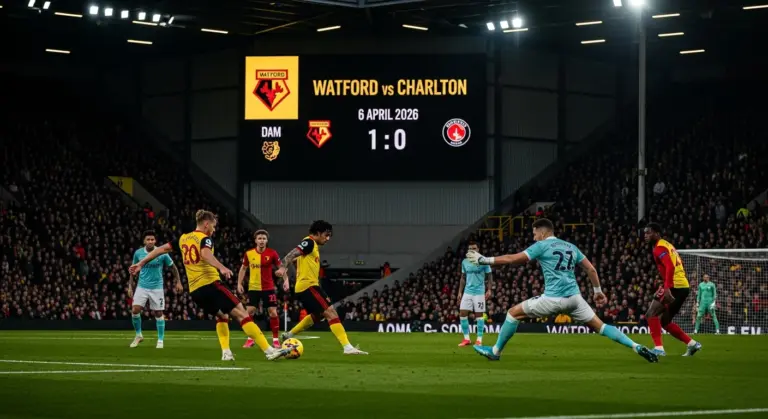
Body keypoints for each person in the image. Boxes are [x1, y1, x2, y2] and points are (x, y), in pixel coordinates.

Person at [466, 218, 658, 363]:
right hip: (575, 299)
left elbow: (513, 259)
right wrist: (597, 291)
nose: (534, 237)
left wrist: (484, 260)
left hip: (552, 299)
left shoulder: (542, 245)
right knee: (601, 327)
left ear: (542, 232)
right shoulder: (571, 247)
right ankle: (636, 346)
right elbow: (591, 269)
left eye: (534, 234)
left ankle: (495, 352)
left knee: (512, 313)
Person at [129, 210, 289, 361]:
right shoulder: (205, 239)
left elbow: (161, 249)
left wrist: (141, 263)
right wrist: (221, 267)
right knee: (242, 314)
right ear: (206, 224)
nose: (214, 229)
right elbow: (205, 254)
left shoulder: (183, 238)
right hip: (211, 284)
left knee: (222, 316)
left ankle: (226, 353)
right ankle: (269, 350)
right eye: (213, 226)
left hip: (195, 291)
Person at [277, 220, 367, 355]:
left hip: (304, 286)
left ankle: (289, 334)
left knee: (317, 315)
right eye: (326, 235)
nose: (328, 238)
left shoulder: (310, 246)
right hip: (308, 286)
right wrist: (282, 267)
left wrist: (293, 270)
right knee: (331, 313)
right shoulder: (309, 242)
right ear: (318, 233)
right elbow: (291, 254)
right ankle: (347, 347)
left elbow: (295, 260)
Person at [643, 222, 702, 357]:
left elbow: (670, 265)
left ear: (657, 233)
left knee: (651, 314)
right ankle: (692, 344)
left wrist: (667, 287)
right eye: (645, 233)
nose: (645, 235)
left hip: (675, 286)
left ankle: (659, 349)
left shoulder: (659, 247)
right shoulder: (667, 245)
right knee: (665, 321)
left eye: (649, 233)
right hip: (682, 286)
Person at [128, 230, 183, 349]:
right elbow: (133, 270)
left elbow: (173, 267)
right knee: (135, 310)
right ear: (144, 241)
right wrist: (130, 287)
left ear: (155, 241)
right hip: (142, 286)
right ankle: (138, 335)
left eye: (152, 239)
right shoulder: (138, 253)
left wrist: (178, 281)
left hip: (157, 288)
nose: (150, 241)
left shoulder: (162, 253)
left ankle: (160, 340)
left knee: (158, 313)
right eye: (148, 239)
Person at [237, 229, 284, 349]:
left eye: (264, 238)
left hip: (268, 288)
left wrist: (286, 280)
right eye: (259, 238)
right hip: (253, 288)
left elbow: (281, 267)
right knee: (249, 313)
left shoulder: (272, 253)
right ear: (255, 240)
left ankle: (275, 340)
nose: (262, 241)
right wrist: (239, 283)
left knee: (272, 312)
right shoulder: (249, 253)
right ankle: (250, 339)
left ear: (267, 240)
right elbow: (243, 268)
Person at [457, 241, 492, 347]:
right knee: (462, 313)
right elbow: (463, 277)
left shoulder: (484, 260)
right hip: (467, 291)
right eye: (470, 248)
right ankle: (466, 339)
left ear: (478, 249)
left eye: (474, 248)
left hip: (479, 292)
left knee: (479, 315)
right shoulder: (465, 262)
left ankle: (479, 340)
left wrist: (489, 289)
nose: (471, 250)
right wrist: (460, 292)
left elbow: (489, 275)